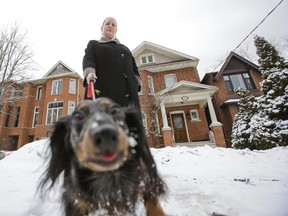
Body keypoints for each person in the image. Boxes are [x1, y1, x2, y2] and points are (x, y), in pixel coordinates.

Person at [82, 17, 141, 109]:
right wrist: (90, 72)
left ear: (116, 30)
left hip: (129, 97)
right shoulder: (94, 44)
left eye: (113, 25)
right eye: (107, 23)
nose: (110, 26)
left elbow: (134, 68)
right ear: (102, 28)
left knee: (130, 122)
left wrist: (136, 82)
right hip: (103, 92)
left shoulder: (125, 49)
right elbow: (89, 59)